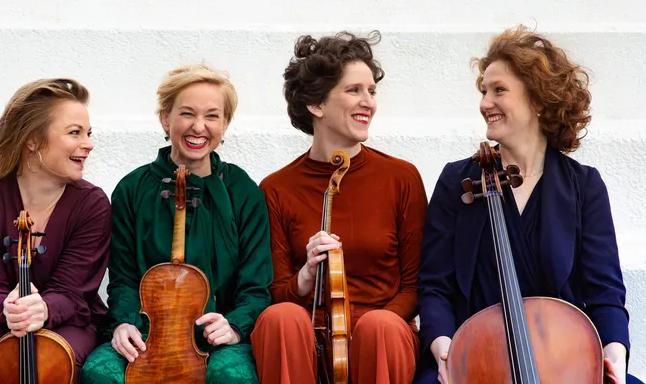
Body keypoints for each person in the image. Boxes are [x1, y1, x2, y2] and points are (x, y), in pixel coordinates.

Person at [414, 25, 642, 384]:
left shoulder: (583, 186)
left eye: (499, 90)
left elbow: (604, 291)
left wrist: (613, 353)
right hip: (476, 357)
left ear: (537, 99)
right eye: (484, 91)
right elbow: (435, 286)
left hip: (563, 360)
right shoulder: (458, 181)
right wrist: (446, 352)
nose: (484, 103)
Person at [250, 31, 428, 384]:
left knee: (381, 327)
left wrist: (361, 333)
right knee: (279, 318)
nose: (368, 102)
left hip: (380, 337)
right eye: (354, 90)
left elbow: (414, 286)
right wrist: (305, 277)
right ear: (316, 105)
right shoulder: (276, 188)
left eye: (371, 91)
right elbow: (275, 293)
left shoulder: (401, 178)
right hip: (305, 336)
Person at [79, 63, 273, 384]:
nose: (199, 127)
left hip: (217, 340)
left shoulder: (243, 191)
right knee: (100, 372)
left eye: (212, 116)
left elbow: (256, 286)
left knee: (232, 376)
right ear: (165, 119)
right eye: (187, 113)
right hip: (146, 334)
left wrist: (234, 326)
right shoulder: (132, 189)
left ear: (225, 124)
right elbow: (124, 279)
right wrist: (123, 324)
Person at [0, 78, 112, 384]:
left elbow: (75, 293)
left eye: (88, 133)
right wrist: (8, 308)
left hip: (70, 323)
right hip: (0, 320)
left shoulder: (92, 204)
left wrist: (45, 308)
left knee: (53, 353)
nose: (88, 144)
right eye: (74, 132)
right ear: (33, 140)